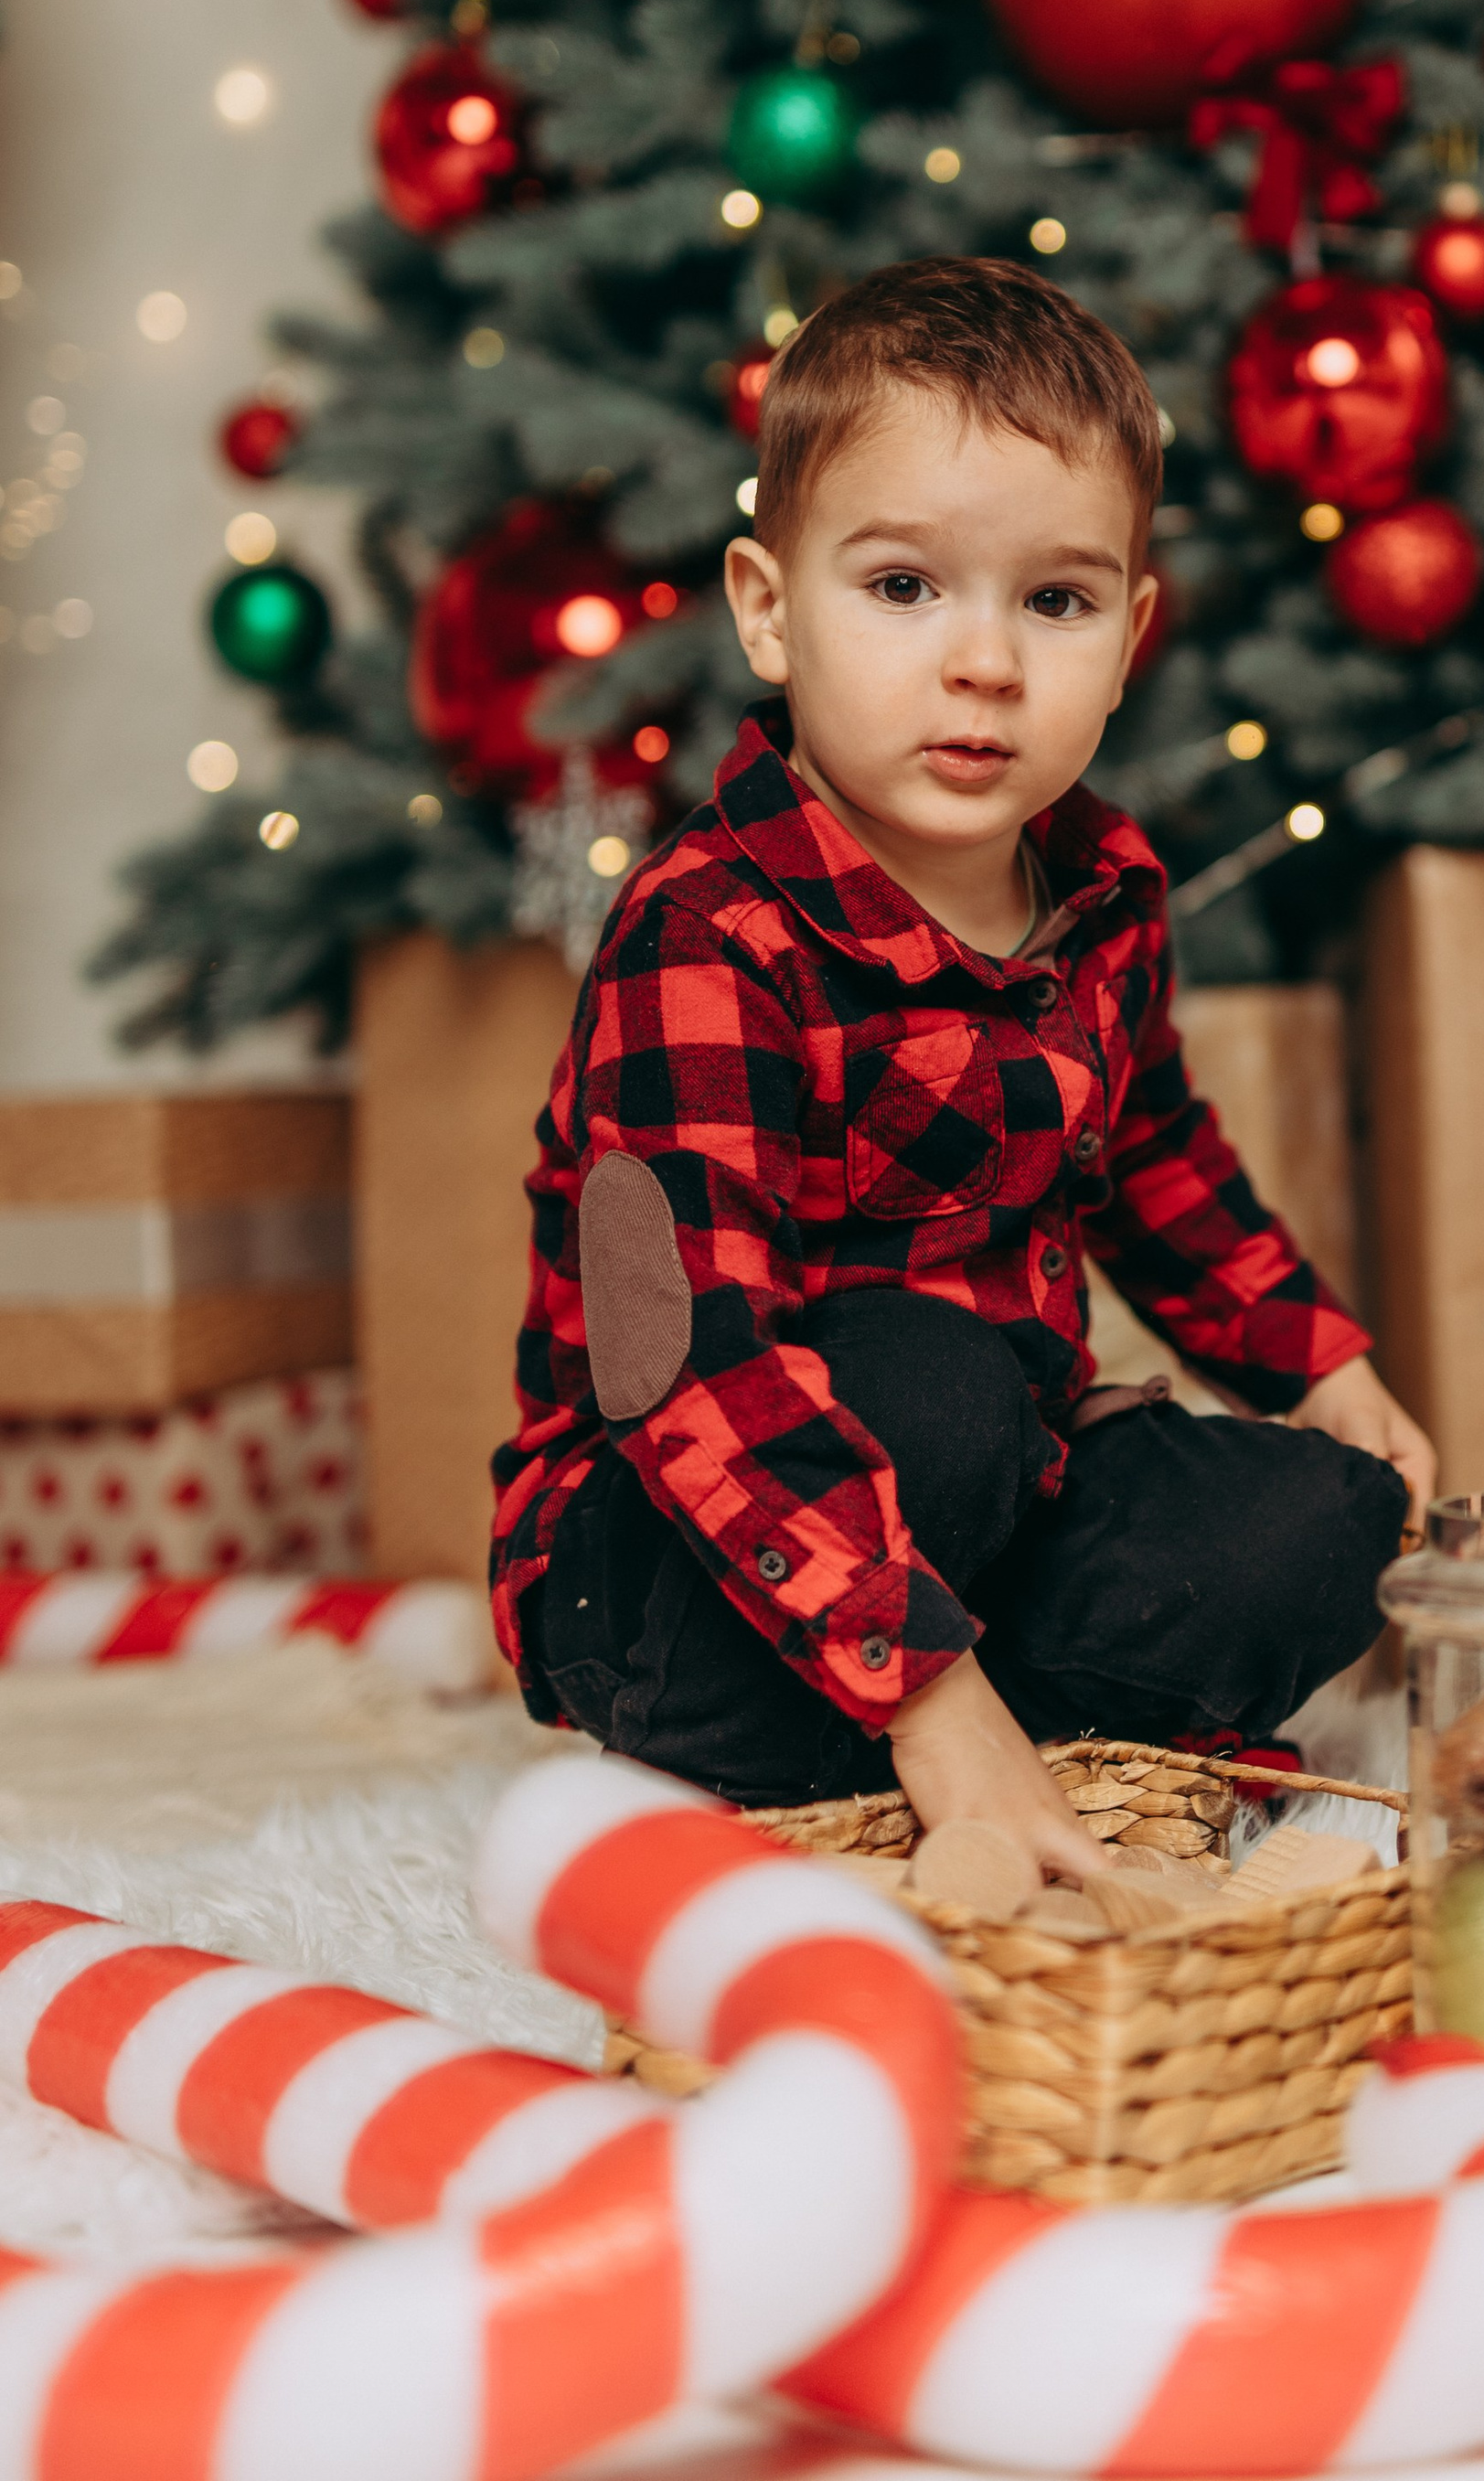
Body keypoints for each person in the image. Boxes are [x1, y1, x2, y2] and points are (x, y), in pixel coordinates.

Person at [489, 256, 1435, 1881]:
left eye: (1053, 601)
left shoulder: (1098, 897)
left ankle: (1007, 1721)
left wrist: (1323, 1370)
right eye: (906, 589)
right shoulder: (706, 935)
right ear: (769, 610)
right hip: (668, 1548)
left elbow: (1155, 1162)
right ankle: (921, 1729)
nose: (984, 661)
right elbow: (686, 1367)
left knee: (1321, 1521)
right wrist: (935, 1708)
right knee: (944, 1388)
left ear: (1130, 636)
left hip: (984, 1498)